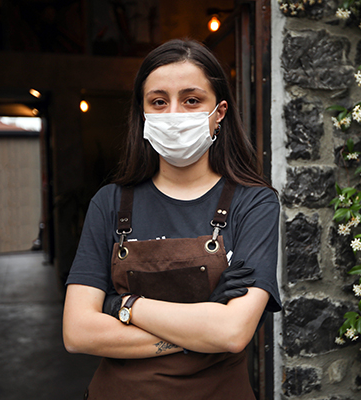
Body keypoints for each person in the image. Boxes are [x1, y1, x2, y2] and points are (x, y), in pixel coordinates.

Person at [62, 38, 281, 399]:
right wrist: (202, 320)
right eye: (159, 102)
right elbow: (78, 332)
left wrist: (123, 306)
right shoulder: (110, 203)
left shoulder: (254, 203)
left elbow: (232, 333)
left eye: (192, 100)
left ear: (220, 112)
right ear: (143, 112)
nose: (175, 114)